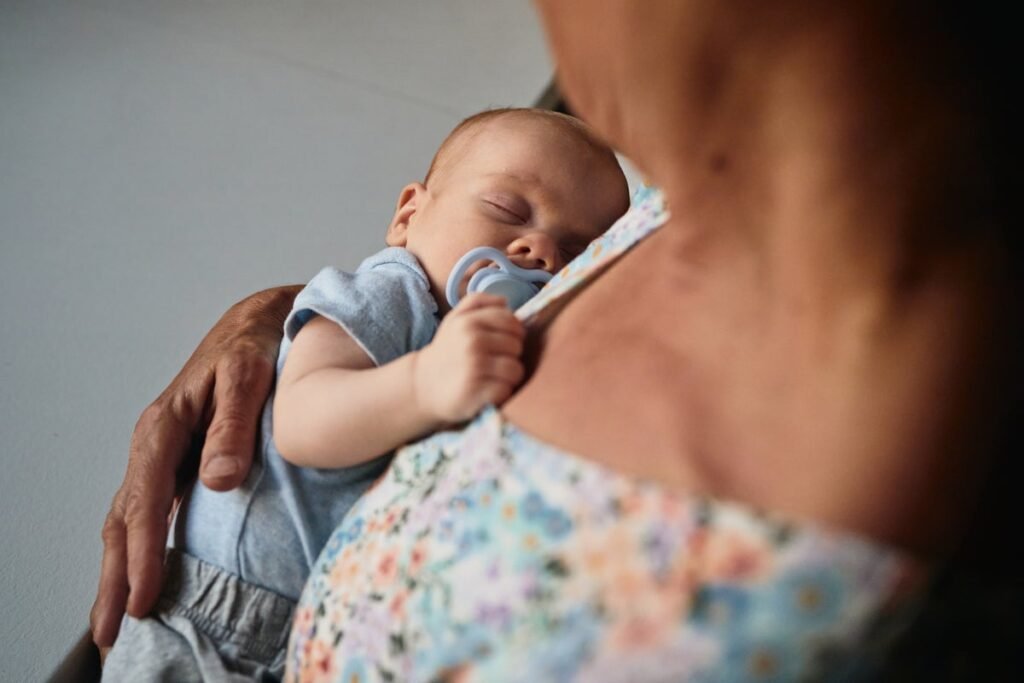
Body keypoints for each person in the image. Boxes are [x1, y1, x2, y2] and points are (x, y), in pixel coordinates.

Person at [93, 1, 1020, 680]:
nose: (539, 252)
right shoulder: (658, 198)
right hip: (195, 619)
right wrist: (284, 321)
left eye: (565, 244)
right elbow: (397, 327)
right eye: (510, 214)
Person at [99, 107, 630, 680]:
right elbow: (302, 422)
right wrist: (426, 383)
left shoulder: (485, 355)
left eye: (576, 253)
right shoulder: (392, 293)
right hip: (216, 621)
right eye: (507, 209)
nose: (541, 252)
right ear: (408, 216)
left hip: (314, 640)